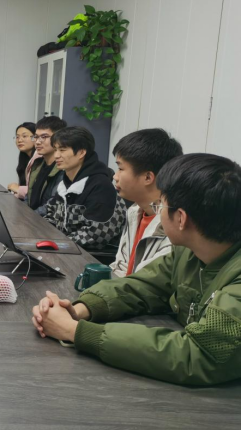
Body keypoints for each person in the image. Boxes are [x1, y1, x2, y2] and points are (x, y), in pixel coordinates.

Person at [32, 153, 241, 386]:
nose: (158, 212)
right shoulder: (189, 252)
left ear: (181, 218)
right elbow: (143, 286)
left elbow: (197, 355)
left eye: (161, 205)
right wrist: (80, 310)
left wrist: (75, 331)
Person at [111, 128, 183, 277]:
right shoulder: (134, 212)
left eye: (120, 168)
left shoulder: (173, 224)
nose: (115, 176)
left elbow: (149, 282)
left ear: (148, 177)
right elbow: (121, 267)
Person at [43, 126, 126, 249]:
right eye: (55, 149)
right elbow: (51, 215)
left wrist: (57, 244)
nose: (56, 155)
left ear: (81, 152)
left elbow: (96, 235)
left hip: (91, 256)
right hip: (64, 250)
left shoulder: (100, 186)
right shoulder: (65, 184)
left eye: (62, 150)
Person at [9, 116, 67, 217]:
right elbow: (29, 198)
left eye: (44, 137)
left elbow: (52, 206)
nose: (38, 141)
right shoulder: (37, 165)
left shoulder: (63, 170)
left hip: (44, 223)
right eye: (36, 137)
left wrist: (28, 217)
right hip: (32, 220)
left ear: (58, 138)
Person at [9, 122, 36, 187]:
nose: (19, 140)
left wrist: (19, 189)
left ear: (35, 138)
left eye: (24, 136)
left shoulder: (40, 158)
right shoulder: (24, 158)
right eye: (17, 137)